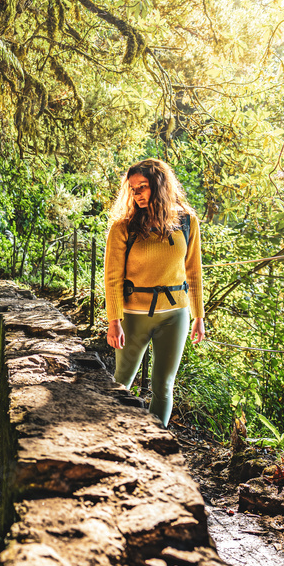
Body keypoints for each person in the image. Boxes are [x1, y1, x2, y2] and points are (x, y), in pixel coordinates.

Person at [103, 158, 205, 426]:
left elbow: (193, 270)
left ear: (159, 186)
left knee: (164, 385)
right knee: (121, 380)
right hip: (133, 315)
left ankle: (154, 446)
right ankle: (109, 435)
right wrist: (114, 321)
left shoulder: (186, 221)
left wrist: (199, 316)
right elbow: (112, 277)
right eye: (133, 188)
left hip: (175, 315)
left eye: (143, 187)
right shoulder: (123, 226)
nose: (136, 194)